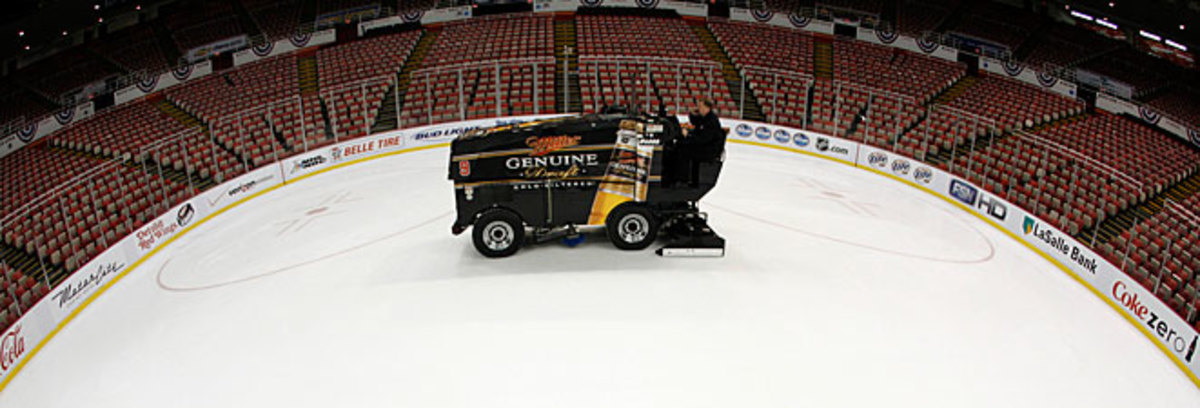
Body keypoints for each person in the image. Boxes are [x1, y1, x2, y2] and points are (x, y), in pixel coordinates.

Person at [667, 99, 725, 186]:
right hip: (705, 145)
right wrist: (692, 113)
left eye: (700, 107)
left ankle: (682, 179)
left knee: (683, 151)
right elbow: (696, 122)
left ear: (707, 108)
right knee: (680, 146)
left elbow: (703, 138)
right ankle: (675, 176)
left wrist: (688, 135)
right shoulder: (705, 117)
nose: (698, 108)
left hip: (709, 149)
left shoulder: (711, 120)